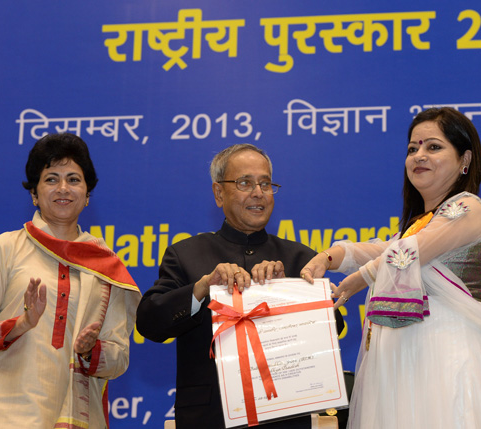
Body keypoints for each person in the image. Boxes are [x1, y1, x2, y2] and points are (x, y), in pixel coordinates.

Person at [301, 107, 481, 428]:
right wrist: (330, 256)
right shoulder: (417, 226)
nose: (419, 156)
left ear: (465, 160)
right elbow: (383, 248)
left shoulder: (468, 208)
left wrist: (356, 281)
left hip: (449, 361)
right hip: (404, 366)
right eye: (412, 149)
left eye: (433, 147)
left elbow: (407, 253)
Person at [136, 143, 343, 428]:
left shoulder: (300, 258)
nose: (258, 193)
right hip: (209, 418)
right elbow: (149, 322)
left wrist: (289, 292)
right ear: (218, 193)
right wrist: (203, 287)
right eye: (245, 183)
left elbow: (336, 325)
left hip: (285, 418)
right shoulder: (185, 254)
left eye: (266, 183)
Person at [0, 133, 141, 428]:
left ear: (88, 194)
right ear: (34, 194)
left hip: (75, 417)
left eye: (74, 179)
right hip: (0, 416)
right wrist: (20, 325)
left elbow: (119, 359)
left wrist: (91, 350)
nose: (63, 188)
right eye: (51, 179)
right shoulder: (5, 248)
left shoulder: (105, 265)